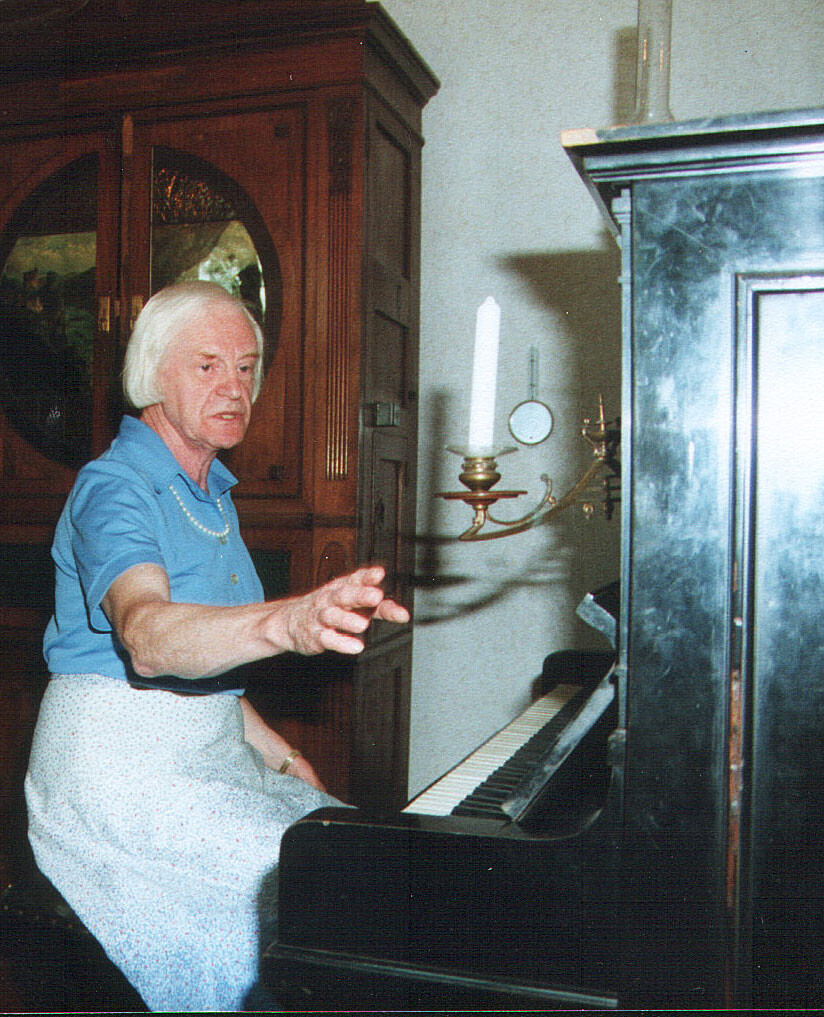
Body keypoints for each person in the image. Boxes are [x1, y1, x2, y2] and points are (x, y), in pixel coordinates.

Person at [24, 280, 410, 1012]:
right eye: (207, 365)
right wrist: (289, 622)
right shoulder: (116, 486)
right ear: (152, 373)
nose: (234, 385)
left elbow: (210, 684)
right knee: (322, 895)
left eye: (245, 366)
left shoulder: (211, 492)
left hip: (208, 753)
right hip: (116, 771)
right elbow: (149, 636)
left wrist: (287, 759)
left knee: (354, 849)